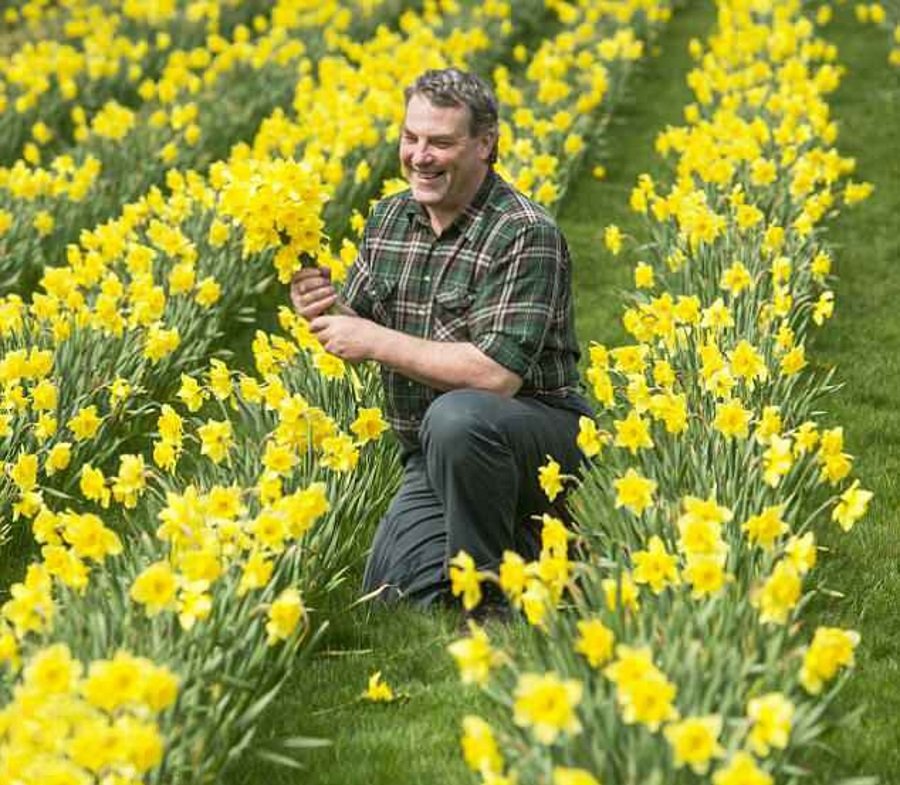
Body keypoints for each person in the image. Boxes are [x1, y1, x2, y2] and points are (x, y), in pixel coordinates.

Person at [291, 68, 592, 609]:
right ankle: (536, 546)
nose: (420, 156)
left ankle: (492, 604)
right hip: (434, 457)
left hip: (531, 438)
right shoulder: (389, 218)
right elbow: (357, 322)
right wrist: (323, 308)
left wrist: (372, 339)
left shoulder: (524, 232)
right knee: (400, 594)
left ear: (485, 145)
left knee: (459, 418)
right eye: (411, 138)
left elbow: (496, 376)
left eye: (441, 142)